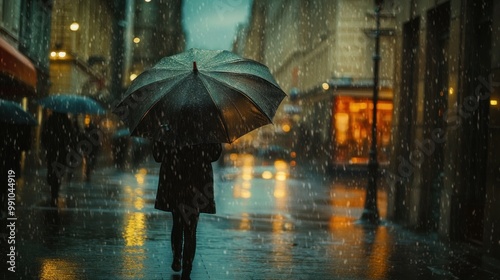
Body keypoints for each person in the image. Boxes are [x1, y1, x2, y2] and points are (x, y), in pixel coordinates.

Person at [153, 137, 222, 280]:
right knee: (190, 228)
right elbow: (214, 155)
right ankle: (187, 269)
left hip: (174, 180)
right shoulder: (206, 128)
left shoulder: (169, 126)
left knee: (177, 222)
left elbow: (158, 156)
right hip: (197, 181)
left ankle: (177, 257)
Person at [41, 111, 76, 206]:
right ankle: (55, 190)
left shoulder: (50, 121)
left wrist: (47, 145)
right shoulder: (66, 122)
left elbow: (44, 135)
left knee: (52, 170)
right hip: (61, 152)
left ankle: (53, 188)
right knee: (58, 171)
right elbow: (71, 137)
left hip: (52, 151)